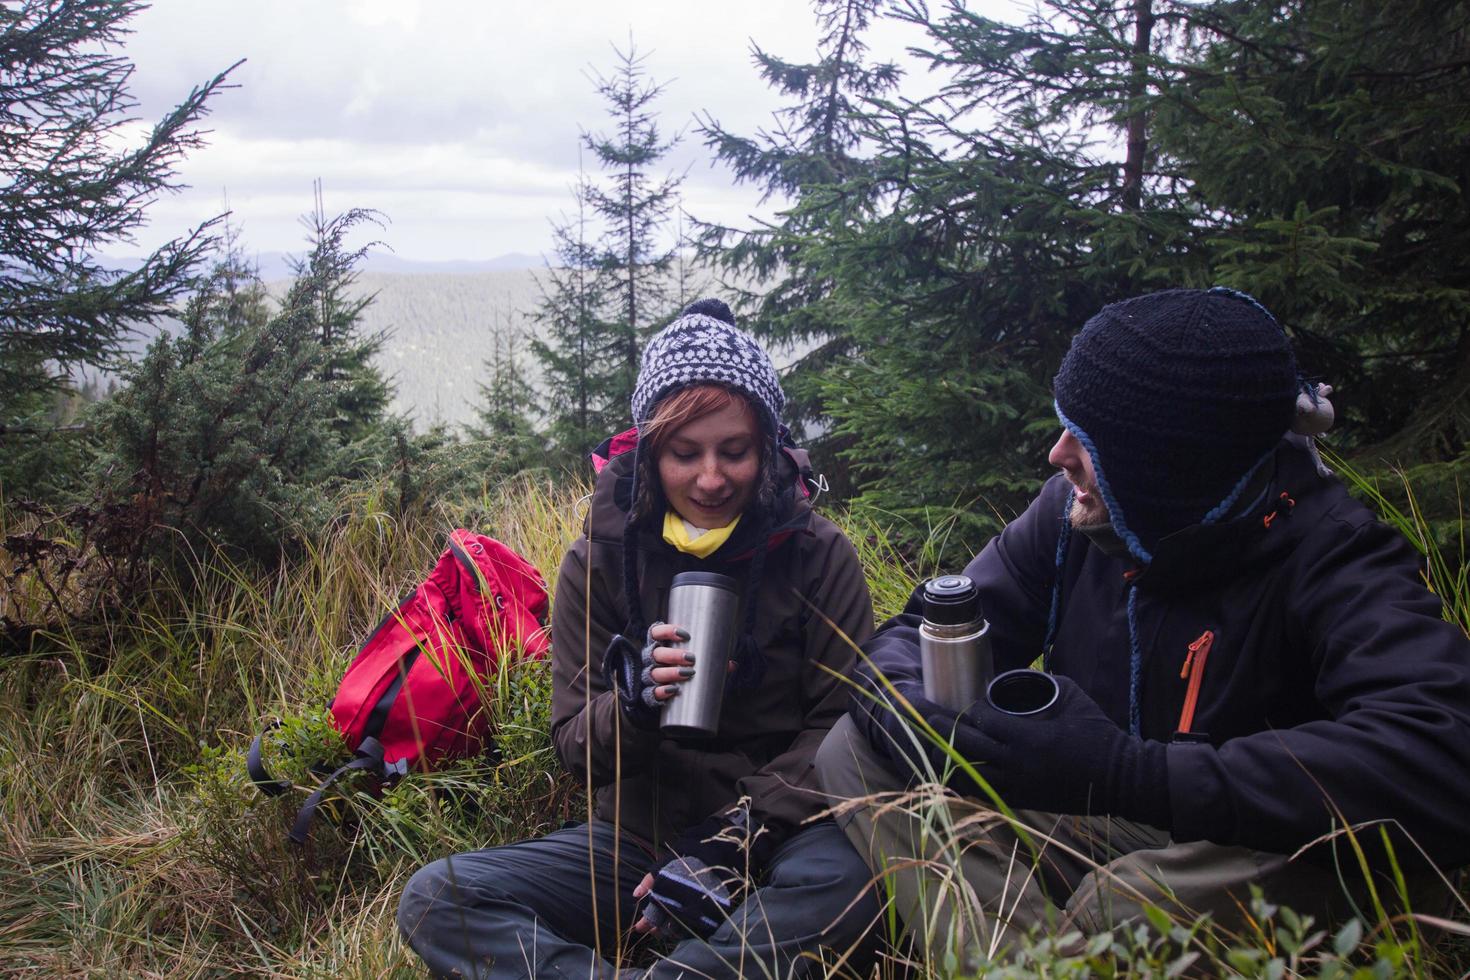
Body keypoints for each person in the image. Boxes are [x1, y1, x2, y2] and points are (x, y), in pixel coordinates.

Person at [815, 287, 1470, 965]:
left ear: (1170, 467)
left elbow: (1446, 756)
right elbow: (925, 625)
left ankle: (1054, 952)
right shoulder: (1074, 515)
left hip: (1262, 838)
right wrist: (909, 711)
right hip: (1117, 808)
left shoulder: (1334, 553)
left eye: (1090, 440)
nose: (1057, 454)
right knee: (852, 749)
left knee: (1129, 900)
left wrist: (1130, 774)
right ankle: (1036, 965)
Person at [398, 298, 879, 978]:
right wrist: (632, 708)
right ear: (651, 452)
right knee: (437, 898)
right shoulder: (598, 558)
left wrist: (730, 843)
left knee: (855, 882)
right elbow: (574, 748)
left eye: (734, 451)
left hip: (776, 834)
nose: (711, 478)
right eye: (685, 454)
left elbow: (842, 731)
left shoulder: (818, 555)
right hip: (636, 839)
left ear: (767, 449)